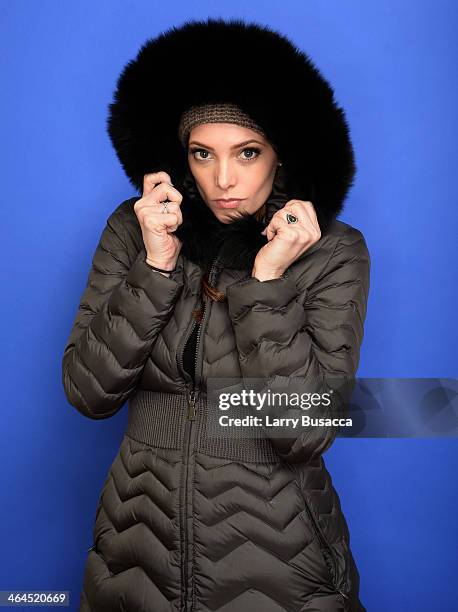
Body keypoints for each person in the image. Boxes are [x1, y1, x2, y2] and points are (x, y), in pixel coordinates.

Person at [62, 17, 370, 612]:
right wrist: (156, 265)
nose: (223, 180)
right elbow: (87, 393)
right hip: (135, 548)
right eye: (203, 154)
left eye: (246, 153)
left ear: (279, 157)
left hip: (280, 557)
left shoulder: (332, 250)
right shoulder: (138, 230)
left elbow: (305, 431)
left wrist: (267, 281)